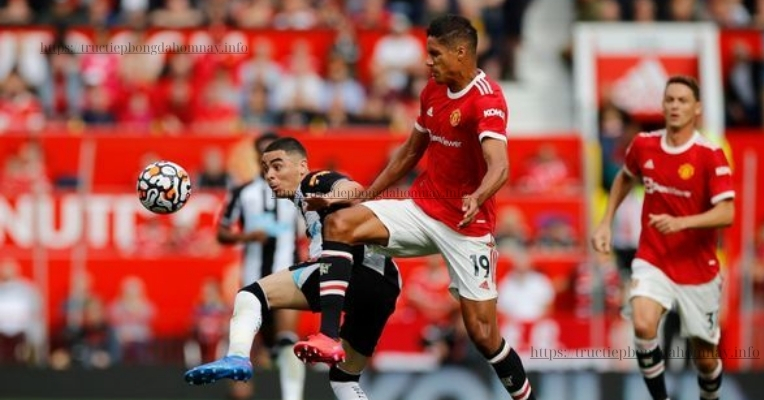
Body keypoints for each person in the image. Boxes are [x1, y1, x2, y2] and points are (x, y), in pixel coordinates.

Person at [294, 14, 536, 400]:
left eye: (435, 54)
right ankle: (329, 335)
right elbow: (410, 151)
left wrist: (478, 195)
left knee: (484, 335)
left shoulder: (486, 100)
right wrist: (365, 194)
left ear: (461, 53)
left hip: (467, 227)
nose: (428, 61)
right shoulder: (432, 91)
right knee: (340, 224)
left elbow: (500, 164)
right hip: (423, 209)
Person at [185, 137, 401, 400]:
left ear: (302, 166)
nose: (270, 176)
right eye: (265, 169)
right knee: (344, 380)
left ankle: (237, 357)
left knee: (250, 295)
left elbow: (353, 187)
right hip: (384, 284)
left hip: (348, 272)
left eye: (277, 166)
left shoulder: (313, 182)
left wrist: (329, 199)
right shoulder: (299, 199)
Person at [591, 75, 735, 400]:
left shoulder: (710, 154)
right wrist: (605, 223)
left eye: (683, 100)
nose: (675, 106)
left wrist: (683, 223)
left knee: (706, 358)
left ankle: (709, 396)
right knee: (642, 325)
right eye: (670, 99)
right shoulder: (644, 145)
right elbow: (625, 179)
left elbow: (727, 214)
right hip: (653, 258)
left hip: (697, 267)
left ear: (696, 108)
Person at [214, 132, 305, 400]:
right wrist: (247, 236)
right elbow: (221, 232)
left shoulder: (298, 192)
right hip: (253, 280)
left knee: (288, 339)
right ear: (257, 158)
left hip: (288, 275)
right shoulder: (243, 193)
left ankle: (292, 396)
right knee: (244, 347)